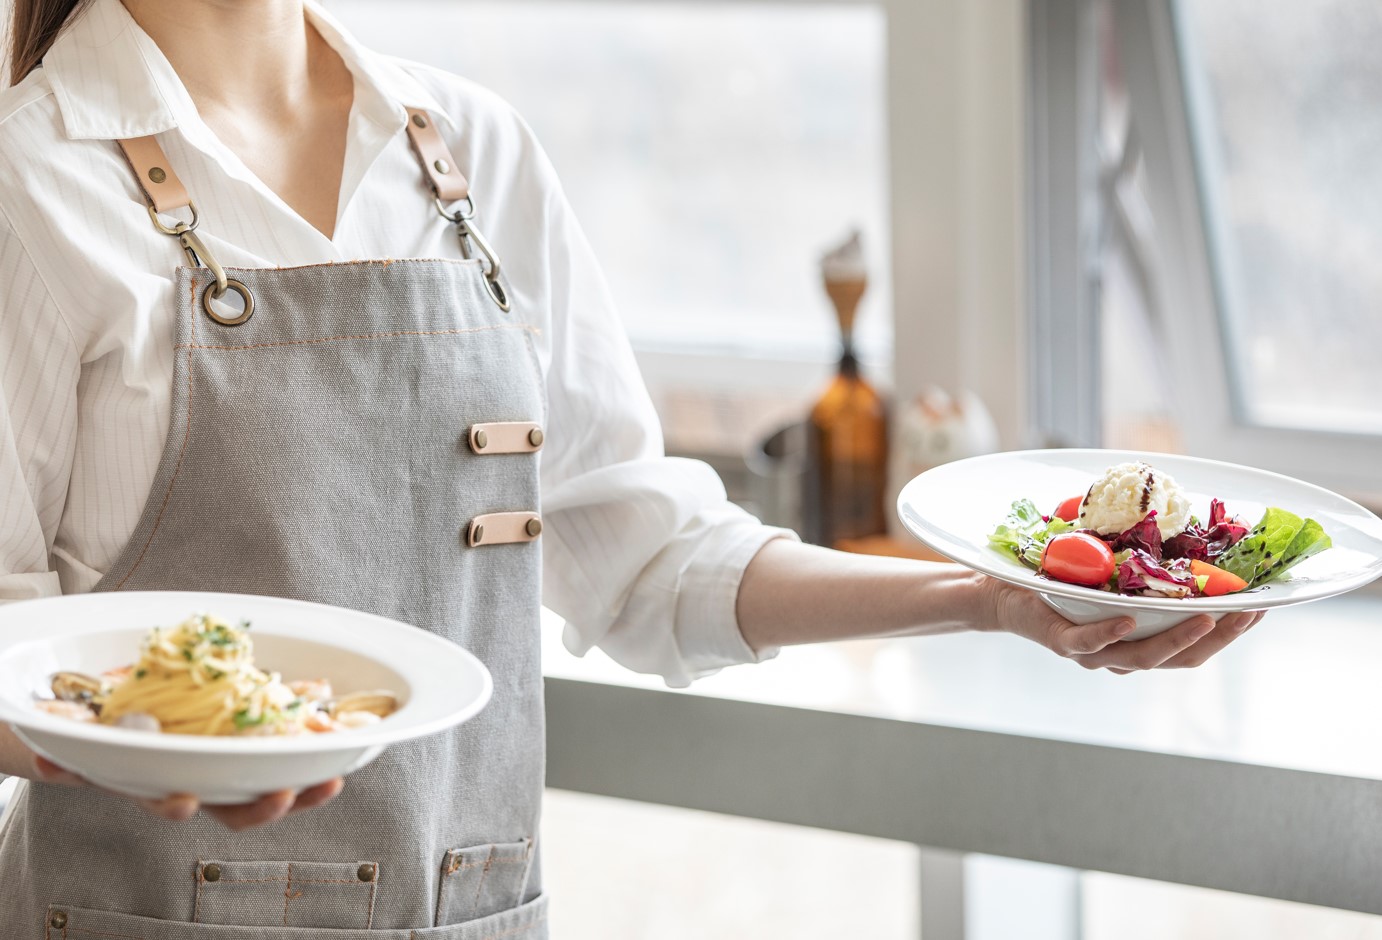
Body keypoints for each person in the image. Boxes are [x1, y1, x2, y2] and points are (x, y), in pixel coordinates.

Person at [0, 0, 1262, 934]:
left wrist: (987, 599)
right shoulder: (32, 180)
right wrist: (138, 742)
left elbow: (646, 558)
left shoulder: (472, 156)